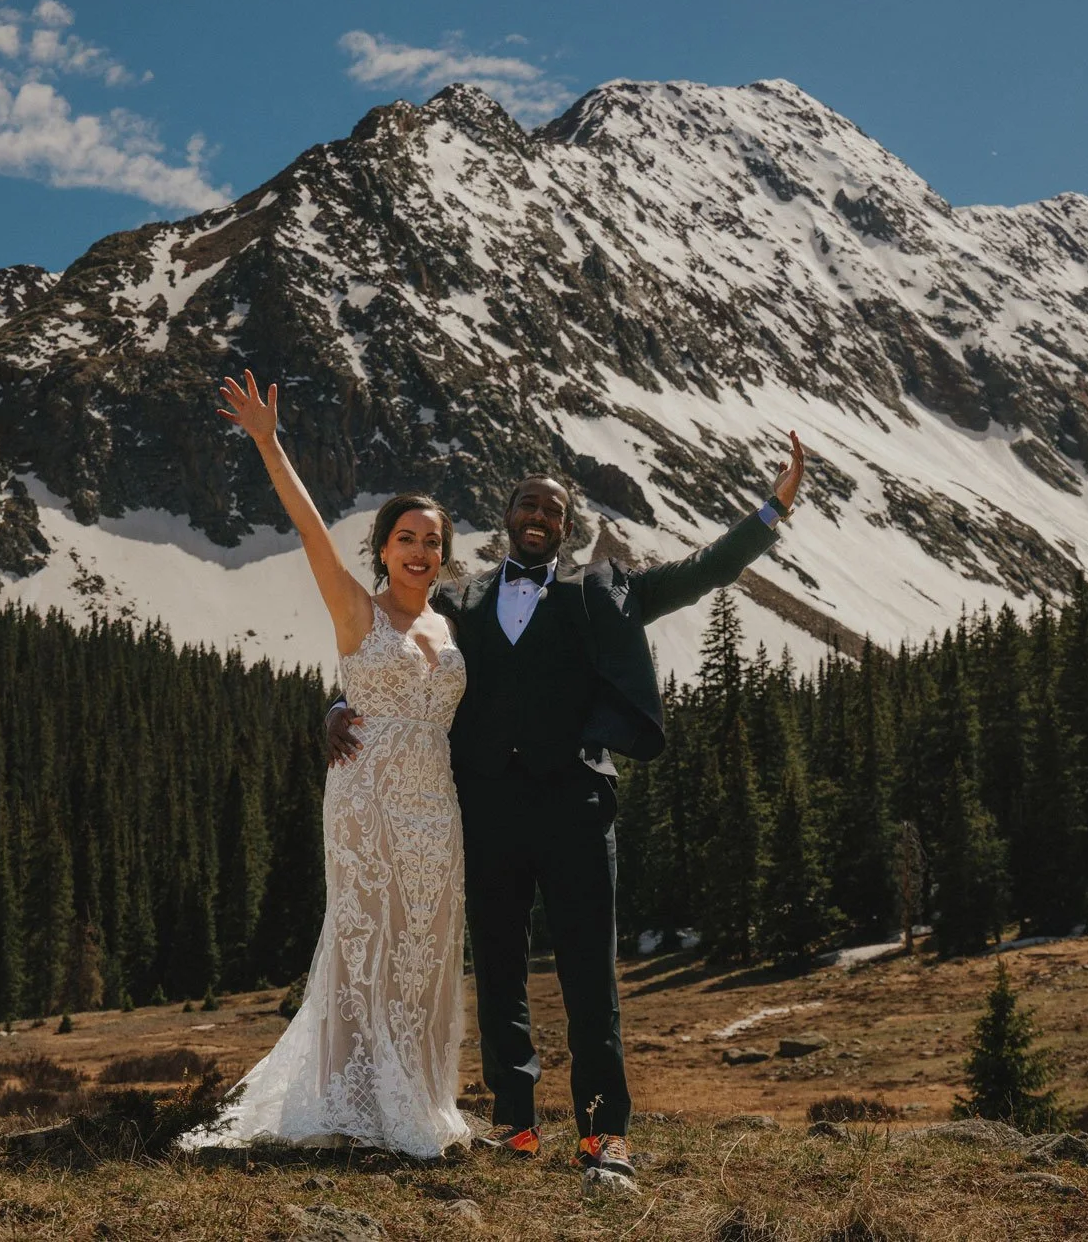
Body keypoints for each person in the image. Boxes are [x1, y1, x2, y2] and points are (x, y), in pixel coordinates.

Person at [326, 437, 806, 1179]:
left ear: (568, 525)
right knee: (500, 969)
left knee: (589, 974)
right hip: (484, 808)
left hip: (578, 808)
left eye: (553, 507)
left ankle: (602, 1134)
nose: (539, 514)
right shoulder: (460, 598)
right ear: (507, 517)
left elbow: (703, 571)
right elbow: (393, 650)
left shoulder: (605, 589)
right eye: (528, 503)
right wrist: (334, 704)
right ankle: (514, 1123)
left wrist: (771, 511)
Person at [181, 369, 471, 1158]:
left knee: (428, 939)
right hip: (366, 799)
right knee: (367, 938)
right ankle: (357, 1101)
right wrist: (270, 445)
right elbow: (308, 529)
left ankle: (418, 1092)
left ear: (444, 558)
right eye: (407, 539)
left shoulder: (451, 629)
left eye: (433, 542)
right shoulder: (357, 610)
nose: (420, 551)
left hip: (435, 807)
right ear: (383, 549)